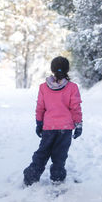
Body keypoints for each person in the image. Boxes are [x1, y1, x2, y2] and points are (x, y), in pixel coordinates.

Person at [23, 56, 83, 186]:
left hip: (48, 127)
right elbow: (75, 108)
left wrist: (39, 123)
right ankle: (57, 178)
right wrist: (78, 125)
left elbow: (40, 107)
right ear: (67, 69)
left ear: (52, 69)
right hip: (65, 128)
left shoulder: (43, 87)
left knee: (42, 152)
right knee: (60, 155)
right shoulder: (73, 87)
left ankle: (31, 177)